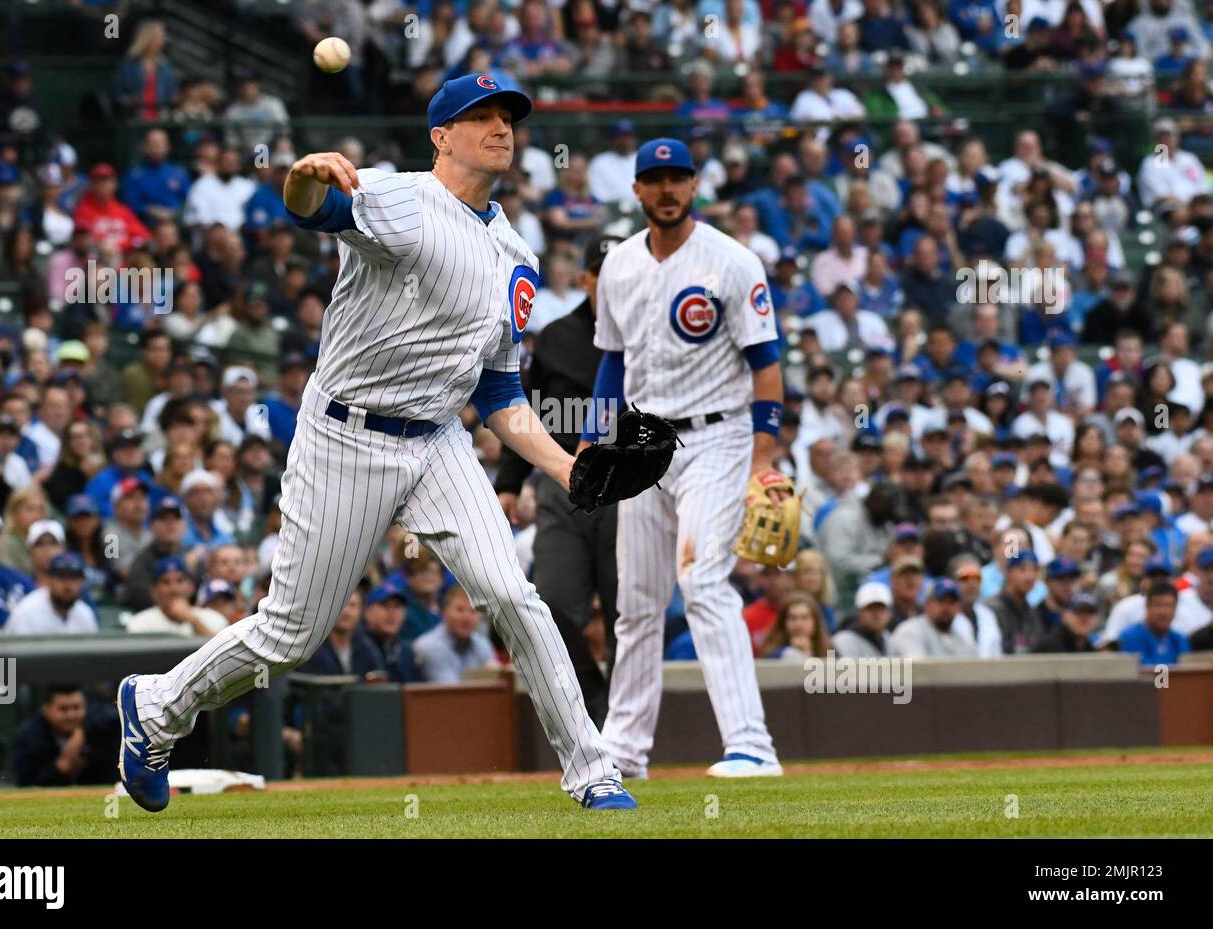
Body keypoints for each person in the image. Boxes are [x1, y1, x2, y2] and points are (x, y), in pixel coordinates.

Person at [115, 74, 637, 813]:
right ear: (440, 136)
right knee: (290, 634)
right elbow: (315, 211)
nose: (499, 128)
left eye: (507, 117)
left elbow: (497, 393)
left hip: (438, 441)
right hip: (346, 434)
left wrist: (563, 462)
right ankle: (157, 707)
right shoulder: (403, 199)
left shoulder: (516, 251)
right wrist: (301, 176)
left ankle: (594, 771)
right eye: (479, 116)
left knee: (514, 595)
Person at [582, 136, 785, 780]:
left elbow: (768, 368)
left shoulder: (731, 260)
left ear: (694, 185)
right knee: (636, 601)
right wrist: (592, 438)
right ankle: (624, 751)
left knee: (701, 580)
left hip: (717, 437)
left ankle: (752, 744)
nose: (668, 188)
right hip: (641, 442)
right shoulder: (616, 264)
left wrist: (763, 459)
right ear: (637, 189)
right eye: (656, 178)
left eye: (679, 177)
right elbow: (612, 362)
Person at [493, 232, 622, 724]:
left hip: (627, 489)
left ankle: (624, 725)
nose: (610, 286)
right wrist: (509, 480)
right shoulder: (557, 336)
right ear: (585, 280)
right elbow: (526, 407)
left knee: (624, 614)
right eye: (601, 276)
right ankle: (594, 707)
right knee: (554, 606)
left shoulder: (648, 335)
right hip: (562, 481)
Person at [12, 685, 118, 787]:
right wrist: (59, 767)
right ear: (46, 710)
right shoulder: (30, 736)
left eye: (76, 708)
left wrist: (82, 733)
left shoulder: (99, 725)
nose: (71, 715)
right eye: (63, 709)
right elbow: (24, 783)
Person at [124, 555, 227, 638]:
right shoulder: (140, 623)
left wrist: (193, 620)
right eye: (165, 582)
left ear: (191, 587)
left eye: (180, 581)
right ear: (154, 590)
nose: (174, 588)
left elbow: (220, 656)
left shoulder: (214, 618)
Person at [414, 585, 500, 682]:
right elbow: (452, 693)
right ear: (445, 612)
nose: (466, 617)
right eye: (460, 609)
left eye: (473, 611)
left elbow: (500, 684)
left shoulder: (482, 644)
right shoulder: (428, 646)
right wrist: (486, 677)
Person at [3, 552, 97, 635]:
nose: (68, 585)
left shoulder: (85, 614)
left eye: (74, 578)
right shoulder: (27, 612)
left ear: (82, 581)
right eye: (61, 577)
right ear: (49, 579)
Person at [350, 581, 421, 682]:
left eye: (397, 606)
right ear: (366, 611)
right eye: (384, 605)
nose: (392, 613)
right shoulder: (358, 646)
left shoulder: (406, 651)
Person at [889, 578, 978, 657]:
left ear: (959, 607)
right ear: (927, 604)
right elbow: (918, 670)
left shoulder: (961, 638)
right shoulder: (910, 631)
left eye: (952, 602)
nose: (946, 607)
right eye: (941, 601)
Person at [1115, 580, 1191, 666]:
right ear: (1147, 606)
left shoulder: (1179, 639)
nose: (1164, 612)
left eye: (1169, 606)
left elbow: (1187, 671)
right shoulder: (1130, 636)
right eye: (1158, 605)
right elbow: (1142, 673)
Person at [757, 591, 830, 662]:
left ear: (815, 622)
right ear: (783, 622)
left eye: (804, 617)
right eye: (792, 618)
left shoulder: (829, 650)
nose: (798, 623)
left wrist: (807, 652)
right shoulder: (772, 655)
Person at [831, 581, 894, 658]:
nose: (876, 615)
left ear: (889, 612)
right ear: (859, 612)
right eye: (870, 608)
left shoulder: (888, 638)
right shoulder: (842, 641)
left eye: (881, 609)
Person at [1031, 592, 1101, 653]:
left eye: (1090, 613)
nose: (1084, 618)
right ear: (1064, 616)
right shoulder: (1048, 648)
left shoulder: (1091, 649)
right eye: (1078, 612)